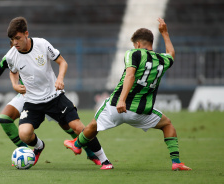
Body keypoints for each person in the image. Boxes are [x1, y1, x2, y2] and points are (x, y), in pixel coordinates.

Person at [64, 18, 192, 171]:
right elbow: (171, 53)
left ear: (138, 44)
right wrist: (165, 33)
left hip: (117, 106)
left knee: (94, 125)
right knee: (167, 124)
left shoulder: (134, 53)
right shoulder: (162, 60)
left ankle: (77, 145)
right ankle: (176, 161)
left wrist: (122, 100)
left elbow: (130, 75)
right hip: (141, 112)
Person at [5, 16, 112, 169]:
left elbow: (62, 62)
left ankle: (104, 159)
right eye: (12, 39)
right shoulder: (11, 55)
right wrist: (15, 85)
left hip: (54, 97)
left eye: (17, 38)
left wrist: (60, 78)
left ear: (26, 34)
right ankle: (39, 146)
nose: (15, 43)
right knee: (24, 133)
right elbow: (13, 72)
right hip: (32, 102)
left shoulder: (41, 44)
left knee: (78, 127)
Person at [0, 41, 101, 165]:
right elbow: (1, 68)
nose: (15, 47)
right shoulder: (11, 56)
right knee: (4, 118)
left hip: (48, 94)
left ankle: (90, 151)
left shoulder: (37, 47)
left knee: (67, 126)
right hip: (27, 96)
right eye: (12, 44)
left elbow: (60, 61)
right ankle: (27, 151)